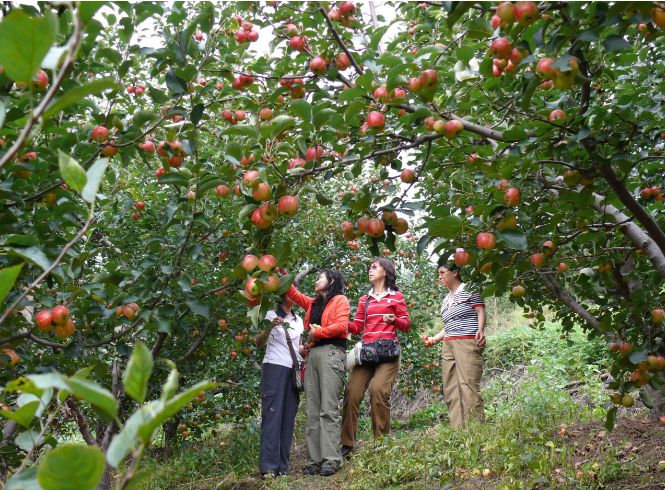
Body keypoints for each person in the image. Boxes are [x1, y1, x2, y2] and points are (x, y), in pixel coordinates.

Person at [341, 257, 410, 457]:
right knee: (352, 392)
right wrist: (341, 322)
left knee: (378, 391)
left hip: (388, 354)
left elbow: (406, 324)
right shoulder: (365, 299)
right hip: (368, 352)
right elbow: (356, 326)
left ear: (385, 272)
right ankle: (347, 444)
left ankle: (381, 444)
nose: (370, 270)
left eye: (374, 267)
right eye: (369, 267)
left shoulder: (396, 297)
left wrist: (394, 320)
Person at [286, 269, 350, 477]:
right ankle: (314, 461)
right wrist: (280, 274)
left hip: (332, 353)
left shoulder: (340, 300)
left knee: (328, 409)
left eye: (319, 277)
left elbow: (341, 326)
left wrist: (318, 332)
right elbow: (293, 294)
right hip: (312, 356)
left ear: (331, 281)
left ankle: (331, 459)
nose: (316, 280)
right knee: (312, 409)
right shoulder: (313, 303)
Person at [423, 260, 486, 428]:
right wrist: (435, 338)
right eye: (438, 274)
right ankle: (458, 430)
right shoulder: (446, 300)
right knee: (451, 387)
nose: (440, 276)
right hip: (448, 343)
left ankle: (476, 430)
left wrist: (480, 329)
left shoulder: (469, 289)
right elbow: (449, 325)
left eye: (443, 272)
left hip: (466, 341)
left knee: (468, 385)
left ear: (455, 272)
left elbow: (480, 310)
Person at [258, 295, 304, 479]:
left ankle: (282, 467)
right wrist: (270, 326)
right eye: (291, 293)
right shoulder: (269, 313)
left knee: (288, 417)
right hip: (274, 367)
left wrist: (306, 348)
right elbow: (259, 342)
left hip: (293, 371)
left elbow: (296, 346)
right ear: (283, 296)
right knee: (272, 415)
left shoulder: (298, 319)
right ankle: (269, 468)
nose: (295, 296)